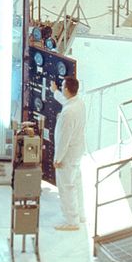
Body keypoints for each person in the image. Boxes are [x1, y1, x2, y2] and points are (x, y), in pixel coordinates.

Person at [51, 76, 86, 231]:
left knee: (66, 187)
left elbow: (63, 139)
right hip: (77, 151)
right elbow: (66, 101)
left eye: (62, 86)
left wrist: (57, 159)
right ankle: (80, 215)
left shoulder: (67, 114)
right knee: (76, 183)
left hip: (67, 154)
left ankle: (72, 221)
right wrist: (55, 92)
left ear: (67, 89)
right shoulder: (79, 102)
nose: (61, 86)